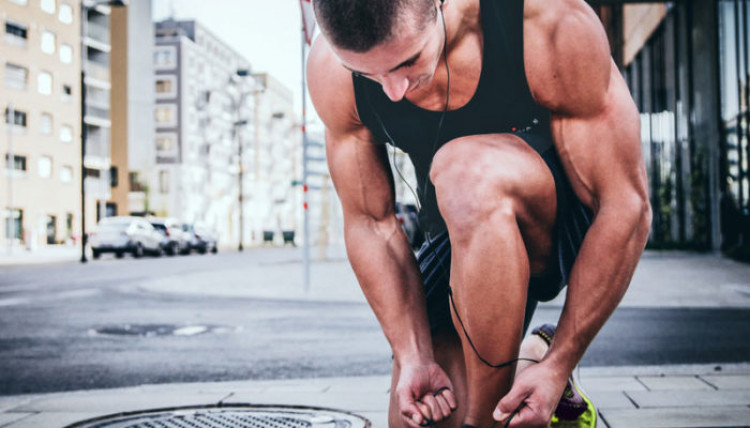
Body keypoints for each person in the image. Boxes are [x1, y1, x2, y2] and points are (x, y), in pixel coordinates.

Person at [307, 0, 651, 426]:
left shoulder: (547, 22)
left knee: (464, 171)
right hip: (457, 237)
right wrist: (413, 354)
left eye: (407, 60)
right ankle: (530, 358)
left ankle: (510, 399)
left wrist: (561, 362)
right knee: (425, 413)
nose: (393, 91)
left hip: (556, 226)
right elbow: (370, 224)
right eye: (368, 74)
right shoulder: (330, 69)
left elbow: (626, 205)